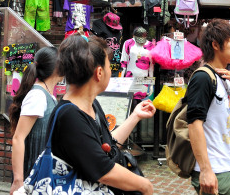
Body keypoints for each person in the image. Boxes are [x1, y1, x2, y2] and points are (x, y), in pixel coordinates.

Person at [49, 35, 155, 195]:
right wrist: (144, 185)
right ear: (99, 72)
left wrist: (135, 116)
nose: (110, 70)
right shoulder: (70, 116)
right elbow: (103, 170)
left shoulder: (92, 105)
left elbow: (108, 146)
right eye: (108, 65)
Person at [186, 19, 230, 195]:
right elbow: (194, 125)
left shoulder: (229, 80)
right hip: (215, 170)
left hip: (229, 167)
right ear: (215, 45)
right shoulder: (202, 78)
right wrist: (206, 170)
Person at [9, 47, 62, 194]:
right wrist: (18, 180)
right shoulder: (37, 96)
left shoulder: (47, 94)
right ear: (57, 68)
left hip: (42, 172)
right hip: (32, 174)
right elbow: (18, 138)